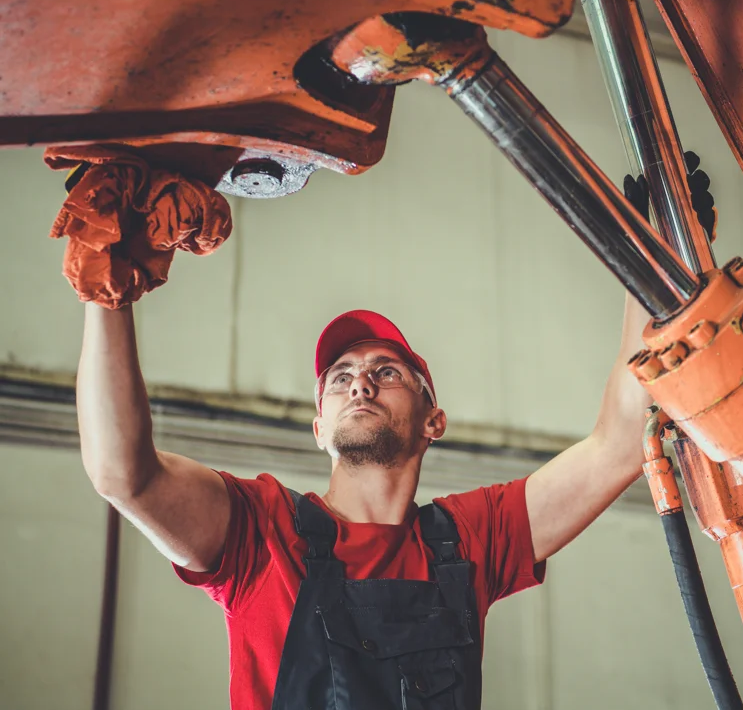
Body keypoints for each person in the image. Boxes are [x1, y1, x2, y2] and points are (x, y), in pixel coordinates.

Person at [77, 284, 652, 710]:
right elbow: (123, 474)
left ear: (434, 420)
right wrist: (106, 291)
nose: (360, 382)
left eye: (388, 372)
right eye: (339, 377)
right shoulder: (261, 528)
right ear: (319, 427)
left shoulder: (470, 538)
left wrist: (647, 274)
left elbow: (620, 446)